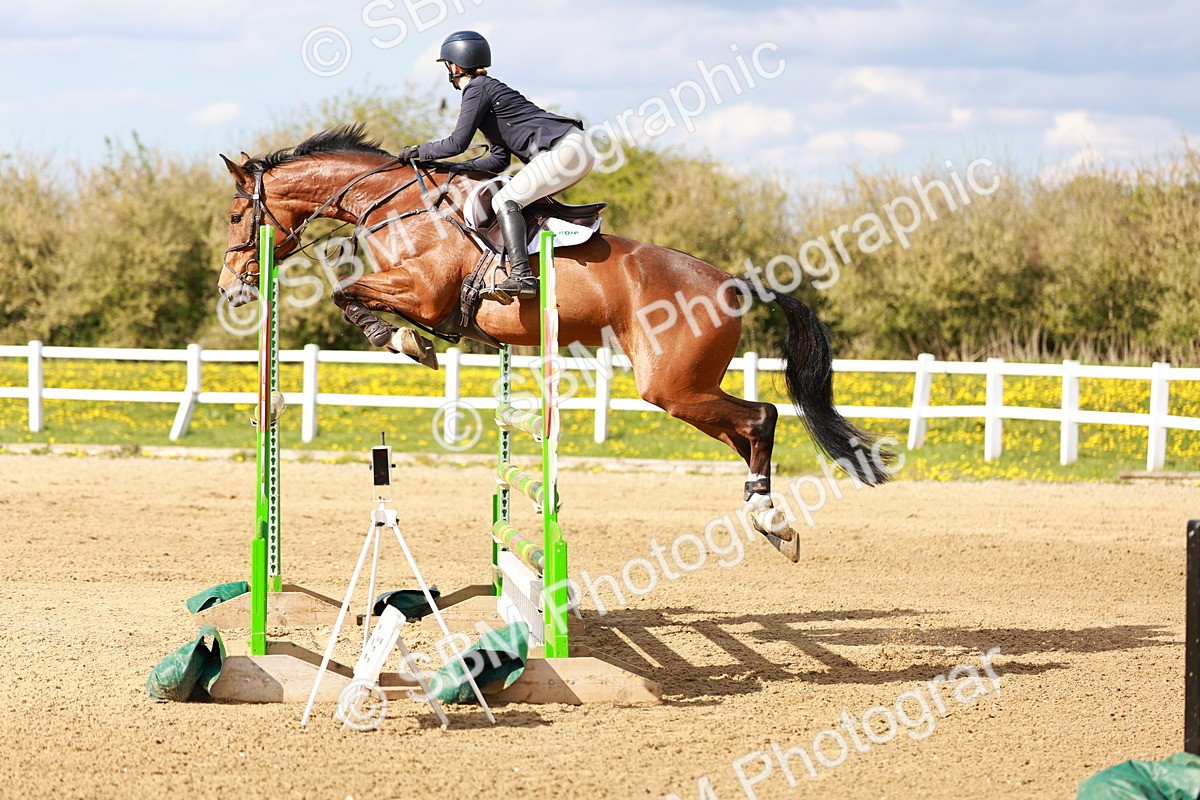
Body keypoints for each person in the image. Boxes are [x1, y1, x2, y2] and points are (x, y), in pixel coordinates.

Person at [401, 30, 596, 302]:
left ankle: (522, 276)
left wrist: (419, 152)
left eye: (447, 66)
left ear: (454, 66)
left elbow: (456, 143)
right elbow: (499, 159)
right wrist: (456, 169)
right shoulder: (487, 89)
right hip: (574, 149)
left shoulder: (476, 89)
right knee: (518, 199)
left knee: (505, 200)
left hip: (564, 148)